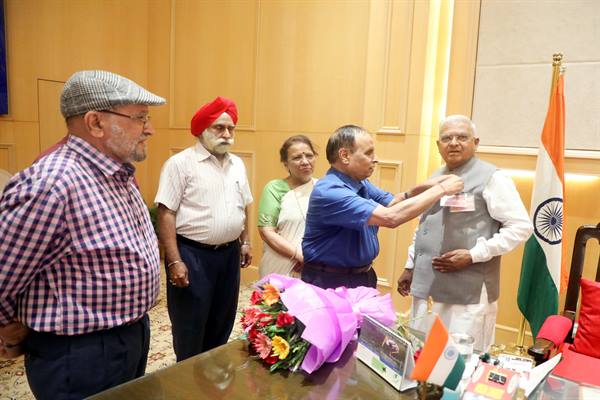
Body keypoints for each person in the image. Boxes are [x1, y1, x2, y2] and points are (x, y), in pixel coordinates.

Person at [0, 70, 166, 399]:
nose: (150, 129)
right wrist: (11, 331)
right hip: (80, 354)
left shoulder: (115, 172)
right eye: (140, 118)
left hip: (129, 335)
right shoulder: (53, 182)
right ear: (95, 123)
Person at [397, 115, 533, 352]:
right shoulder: (434, 177)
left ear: (476, 142)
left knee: (460, 363)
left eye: (462, 137)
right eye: (447, 138)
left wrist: (473, 254)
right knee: (424, 356)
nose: (454, 143)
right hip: (427, 288)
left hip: (468, 293)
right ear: (438, 145)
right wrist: (410, 266)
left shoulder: (493, 178)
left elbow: (521, 227)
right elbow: (424, 224)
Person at [301, 124, 464, 289]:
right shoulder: (330, 191)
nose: (376, 159)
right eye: (368, 153)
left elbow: (395, 202)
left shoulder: (359, 182)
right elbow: (390, 217)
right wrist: (442, 189)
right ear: (345, 156)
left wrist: (428, 186)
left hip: (361, 276)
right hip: (330, 281)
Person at [155, 96, 253, 362]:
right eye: (219, 128)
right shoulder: (180, 164)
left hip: (229, 255)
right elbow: (166, 212)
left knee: (222, 320)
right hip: (192, 255)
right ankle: (186, 383)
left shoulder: (237, 164)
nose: (226, 134)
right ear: (202, 130)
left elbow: (245, 204)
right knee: (190, 325)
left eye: (230, 128)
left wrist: (246, 241)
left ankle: (211, 379)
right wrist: (173, 259)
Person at [257, 135, 318, 278]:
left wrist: (312, 257)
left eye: (309, 156)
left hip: (314, 264)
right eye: (297, 158)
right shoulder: (275, 188)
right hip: (280, 262)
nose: (305, 162)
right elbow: (267, 232)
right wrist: (298, 256)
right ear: (285, 164)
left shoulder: (322, 188)